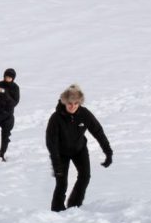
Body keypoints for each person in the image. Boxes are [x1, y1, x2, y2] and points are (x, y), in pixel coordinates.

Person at [46, 84, 112, 212]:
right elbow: (51, 143)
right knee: (61, 183)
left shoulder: (84, 114)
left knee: (85, 176)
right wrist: (56, 164)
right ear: (65, 102)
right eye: (70, 103)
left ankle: (74, 206)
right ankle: (57, 211)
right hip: (61, 153)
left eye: (76, 103)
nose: (73, 106)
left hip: (79, 150)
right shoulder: (56, 118)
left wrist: (108, 152)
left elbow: (98, 131)